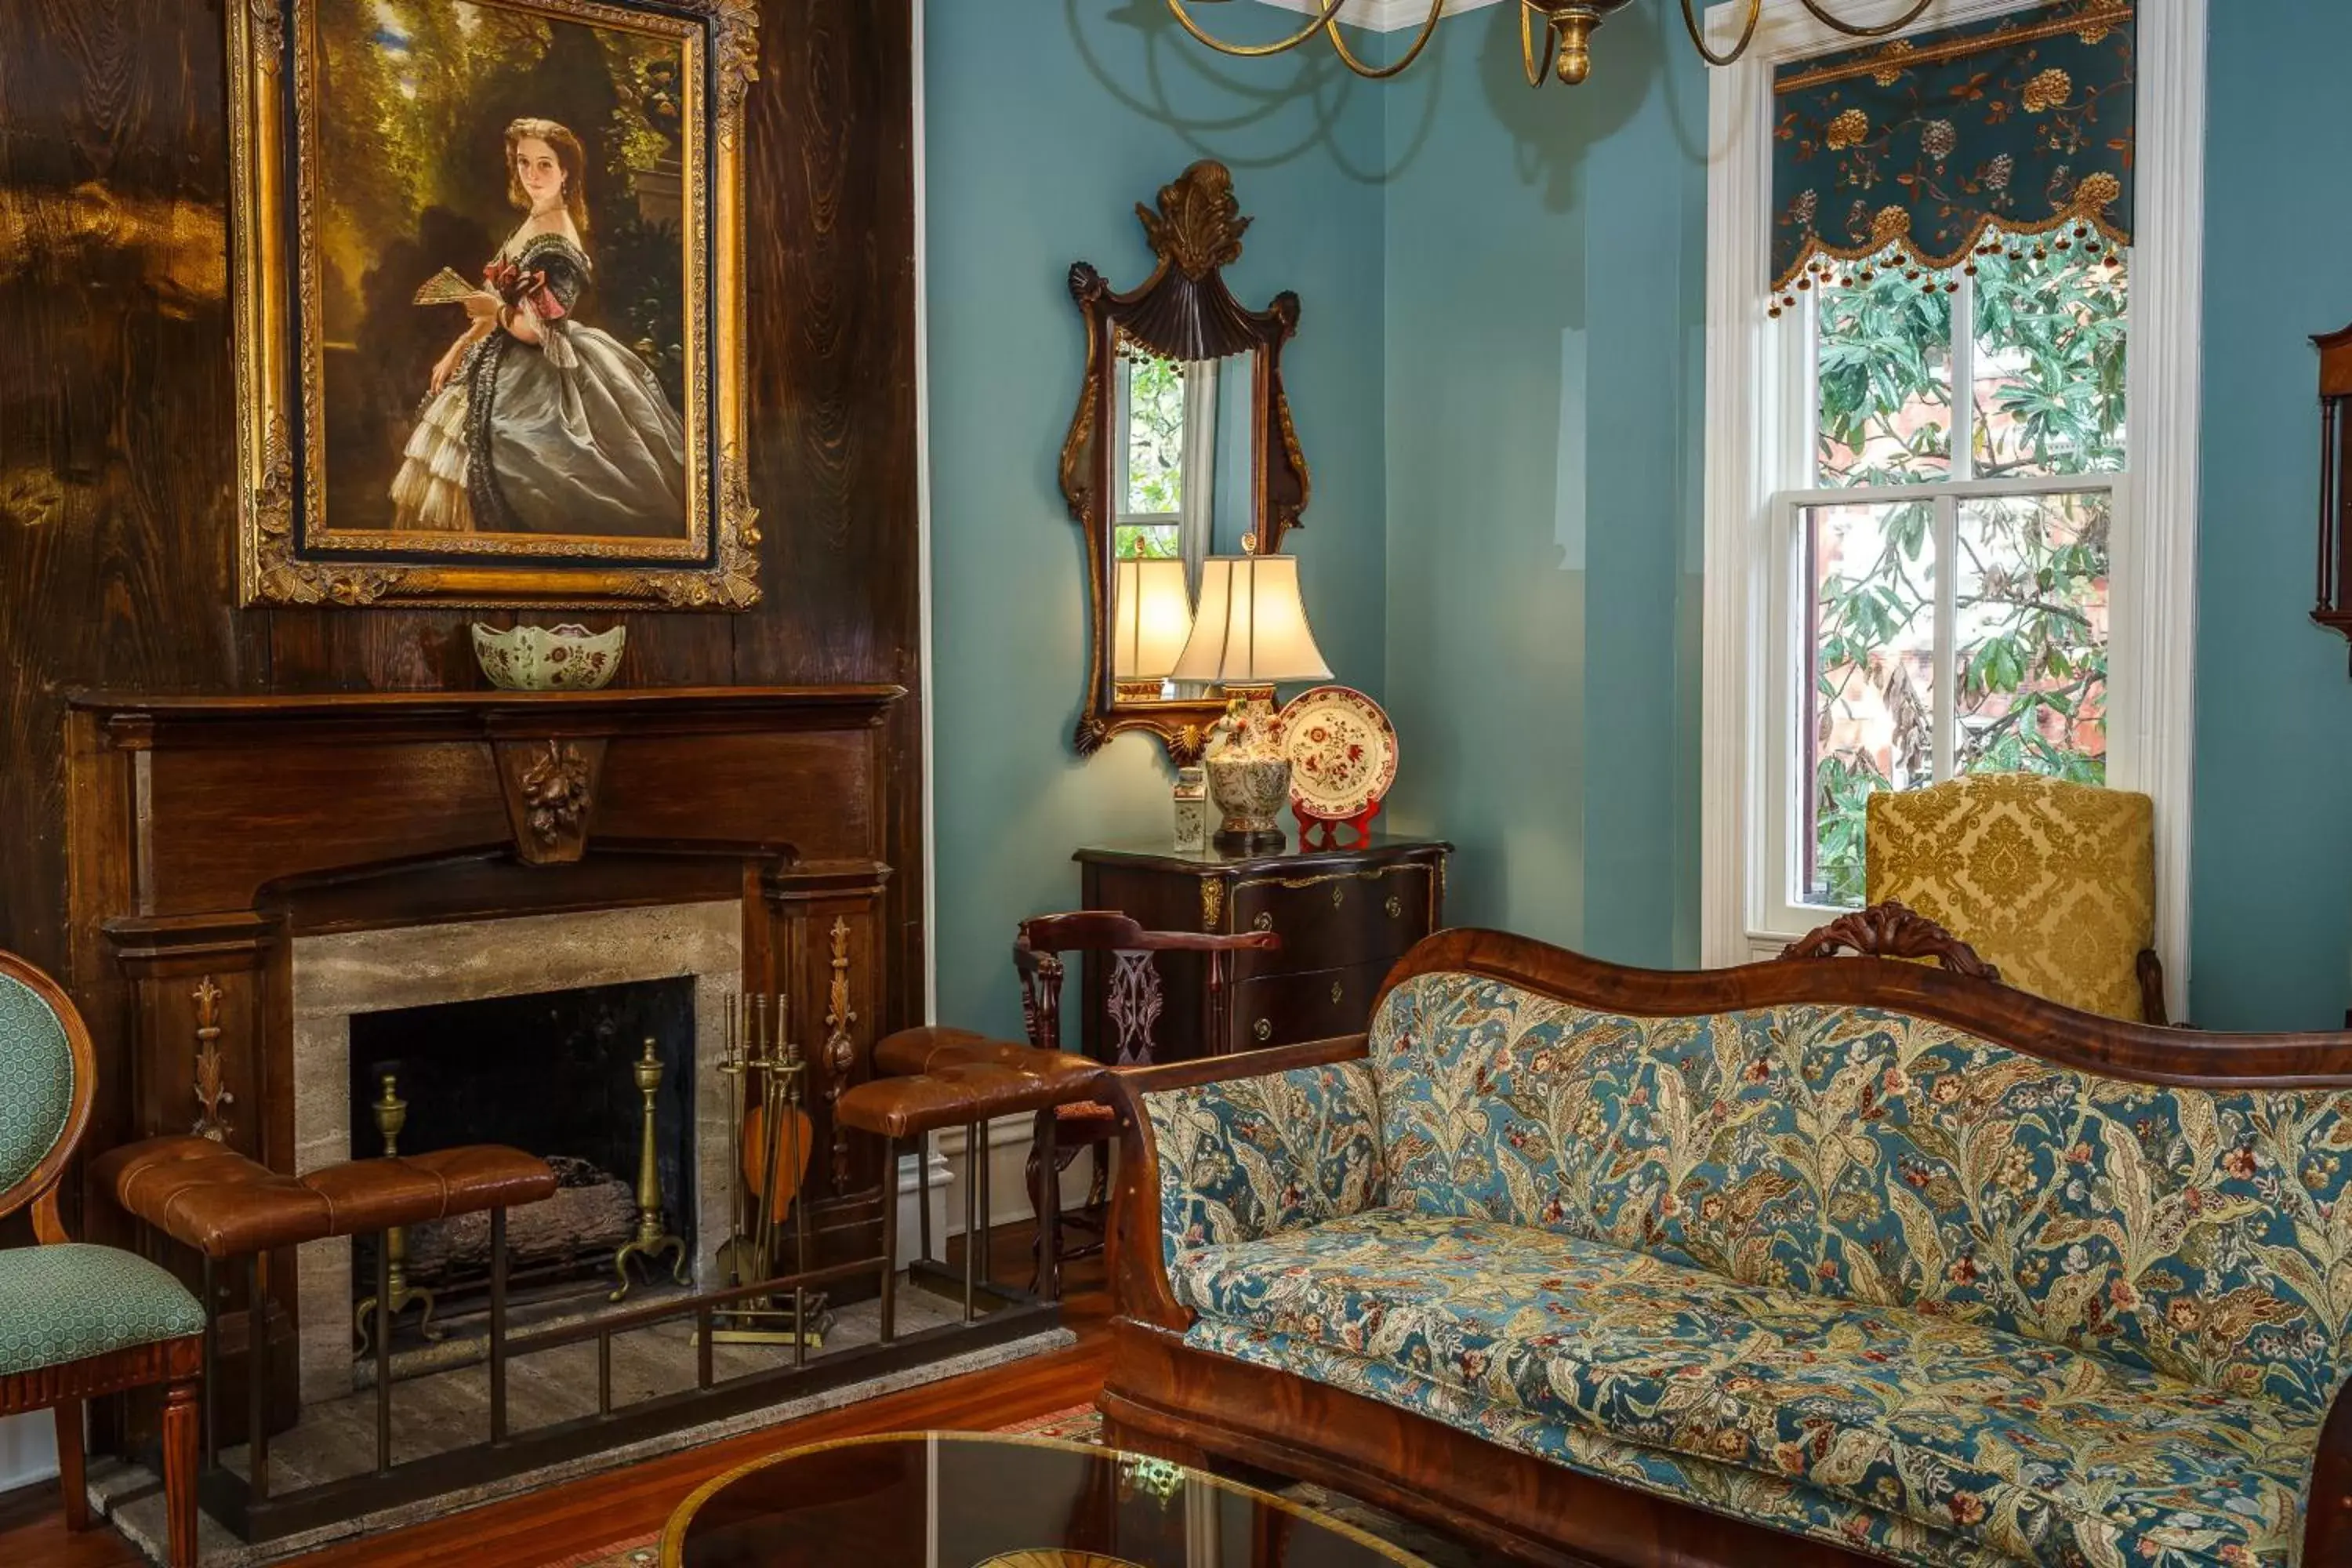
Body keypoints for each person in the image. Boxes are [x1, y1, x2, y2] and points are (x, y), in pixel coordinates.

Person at [390, 117, 687, 537]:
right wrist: (457, 349)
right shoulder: (529, 222)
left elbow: (534, 330)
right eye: (524, 163)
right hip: (495, 356)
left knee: (523, 466)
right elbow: (497, 303)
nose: (532, 175)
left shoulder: (559, 240)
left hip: (539, 374)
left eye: (544, 164)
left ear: (566, 172)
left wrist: (493, 310)